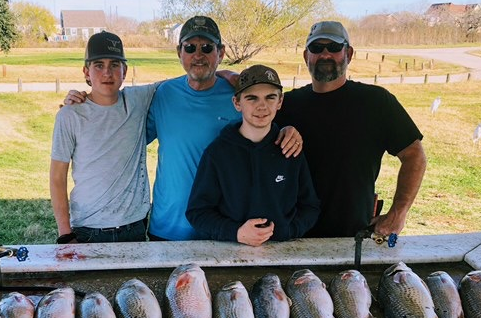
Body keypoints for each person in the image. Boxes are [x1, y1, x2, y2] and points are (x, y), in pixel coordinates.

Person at [63, 16, 304, 242]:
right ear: (179, 52)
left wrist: (288, 128)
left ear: (220, 53)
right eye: (190, 47)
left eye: (207, 48)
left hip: (222, 228)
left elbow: (265, 116)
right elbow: (119, 127)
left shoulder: (237, 97)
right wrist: (85, 103)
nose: (198, 55)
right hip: (167, 227)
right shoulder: (163, 94)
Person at [274, 21, 427, 239]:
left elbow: (414, 155)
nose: (325, 54)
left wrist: (398, 212)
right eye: (317, 48)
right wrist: (228, 76)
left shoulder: (376, 102)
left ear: (349, 53)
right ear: (306, 56)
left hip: (352, 236)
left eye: (334, 47)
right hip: (291, 235)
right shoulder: (285, 104)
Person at [186, 65, 320, 246]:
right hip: (229, 252)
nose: (262, 106)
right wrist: (235, 233)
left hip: (282, 252)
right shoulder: (217, 153)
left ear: (280, 102)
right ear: (237, 103)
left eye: (270, 97)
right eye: (252, 98)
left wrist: (287, 230)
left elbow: (310, 207)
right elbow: (198, 212)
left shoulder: (290, 149)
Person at [50, 31, 157, 243]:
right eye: (98, 65)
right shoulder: (70, 115)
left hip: (134, 226)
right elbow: (57, 178)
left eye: (114, 65)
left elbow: (184, 80)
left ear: (124, 71)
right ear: (86, 72)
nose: (107, 72)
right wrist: (65, 234)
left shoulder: (138, 100)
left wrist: (223, 73)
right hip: (88, 229)